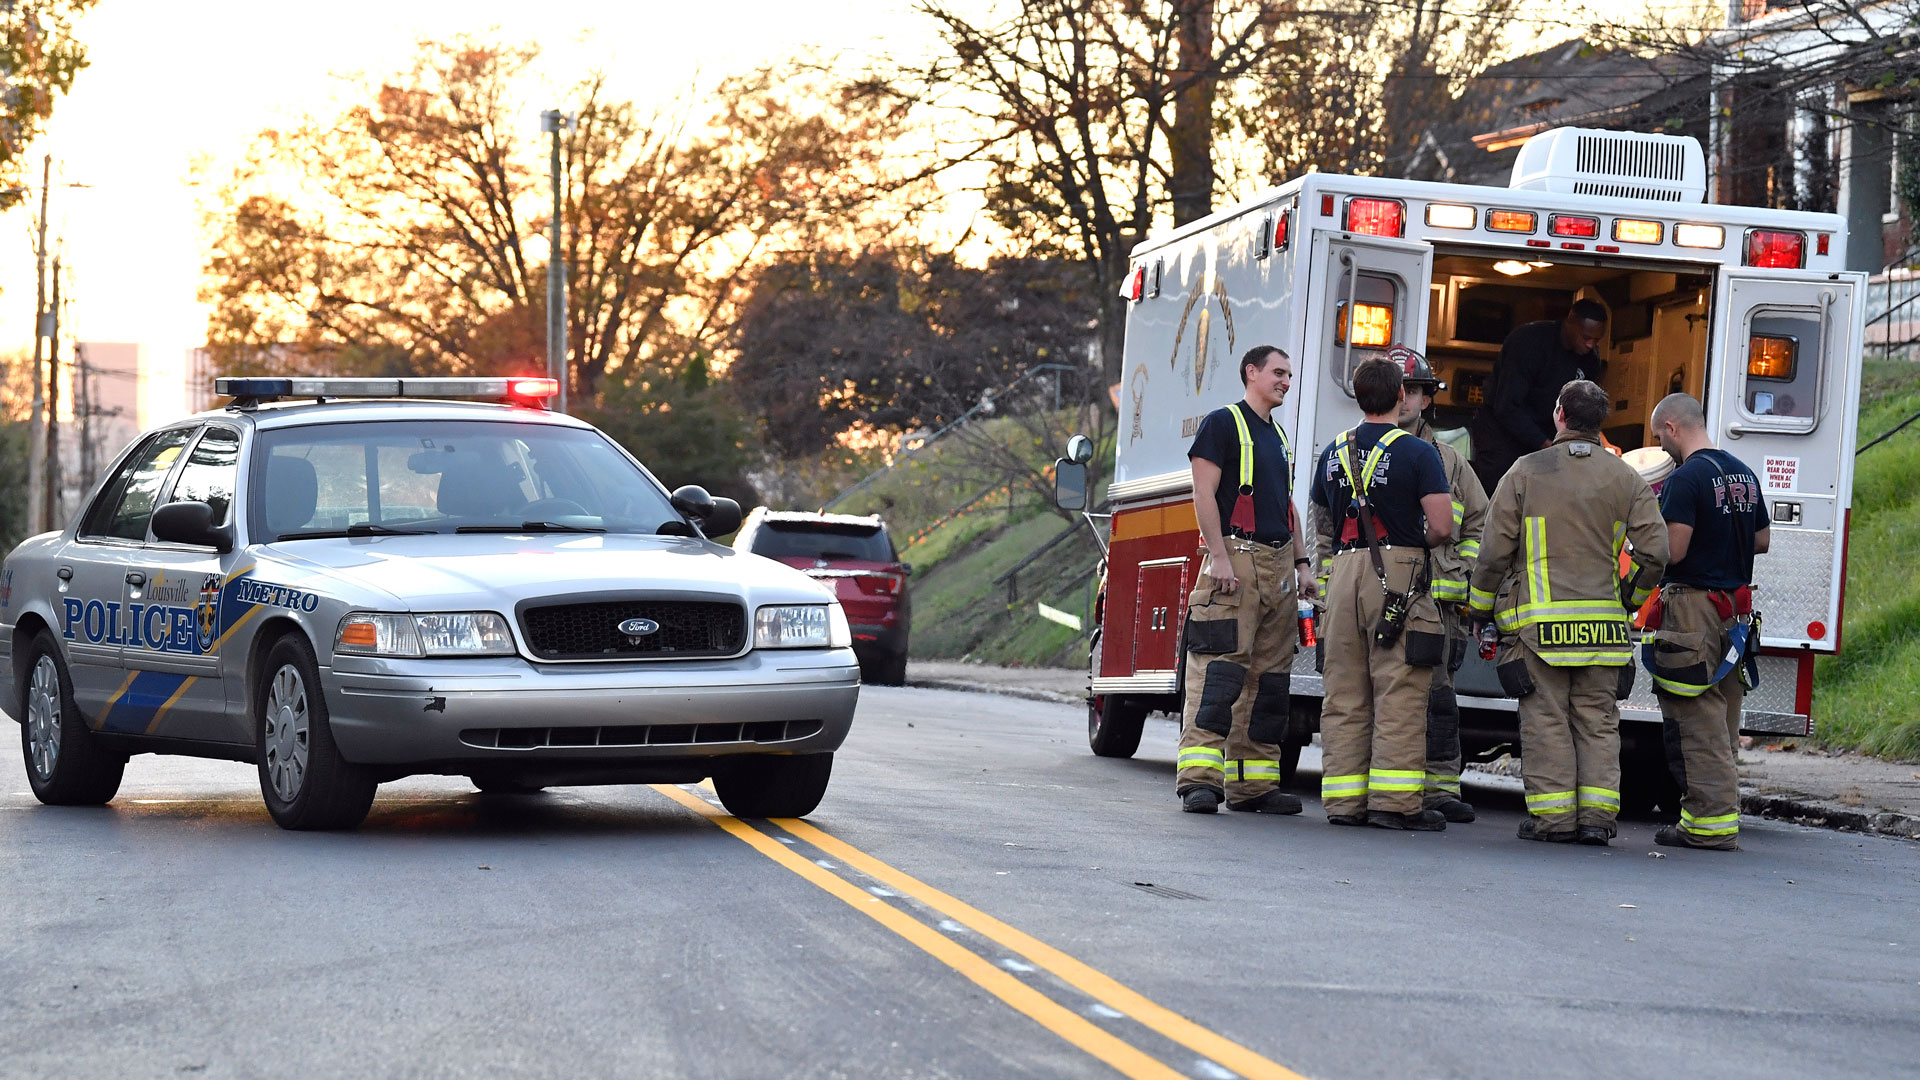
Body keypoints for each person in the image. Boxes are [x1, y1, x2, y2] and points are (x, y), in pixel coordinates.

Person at [1467, 380, 1667, 845]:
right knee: (1598, 722)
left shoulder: (1524, 473)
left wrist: (1480, 609)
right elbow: (1655, 551)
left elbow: (1494, 552)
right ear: (1601, 422)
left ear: (1559, 414)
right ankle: (1597, 821)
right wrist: (1628, 599)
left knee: (1547, 720)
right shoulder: (1625, 478)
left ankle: (1554, 820)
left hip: (1540, 632)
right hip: (1603, 631)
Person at [1310, 356, 1455, 831]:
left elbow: (1322, 523)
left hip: (1343, 572)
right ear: (1399, 397)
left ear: (1357, 395)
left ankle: (1343, 803)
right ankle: (1392, 803)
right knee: (1399, 687)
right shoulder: (1419, 453)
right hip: (1397, 573)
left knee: (1344, 690)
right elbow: (1441, 525)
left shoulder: (1333, 450)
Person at [1175, 345, 1317, 816]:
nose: (1286, 382)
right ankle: (1199, 781)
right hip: (1236, 558)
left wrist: (1301, 564)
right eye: (1278, 372)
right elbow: (1203, 493)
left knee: (1269, 682)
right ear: (1251, 372)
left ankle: (1253, 785)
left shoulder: (1277, 435)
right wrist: (1218, 556)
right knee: (1218, 674)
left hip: (1277, 567)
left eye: (1290, 375)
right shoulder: (1222, 424)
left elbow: (1287, 509)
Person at [1644, 393, 1770, 851]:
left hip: (1693, 610)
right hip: (1734, 612)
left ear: (1673, 427)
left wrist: (1640, 550)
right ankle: (1718, 815)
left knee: (1694, 718)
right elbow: (1762, 539)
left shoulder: (1685, 479)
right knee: (1723, 718)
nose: (1661, 448)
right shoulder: (1743, 473)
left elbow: (1673, 551)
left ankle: (1707, 825)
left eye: (1661, 437)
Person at [1389, 346, 1488, 824]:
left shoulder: (1451, 463)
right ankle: (1387, 786)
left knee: (1439, 701)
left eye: (1413, 390)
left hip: (1439, 605)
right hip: (1380, 600)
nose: (1404, 398)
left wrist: (1460, 575)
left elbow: (1481, 527)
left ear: (1426, 399)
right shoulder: (1354, 450)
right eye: (1397, 388)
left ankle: (1440, 788)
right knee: (1382, 696)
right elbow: (1327, 527)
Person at [1470, 299, 1609, 494]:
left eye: (1596, 340)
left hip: (1551, 432)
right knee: (1502, 492)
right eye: (1586, 337)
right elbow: (1507, 406)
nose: (1590, 344)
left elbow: (1585, 409)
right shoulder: (1528, 342)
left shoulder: (1590, 359)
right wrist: (1547, 445)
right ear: (1570, 321)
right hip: (1502, 433)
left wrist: (1600, 440)